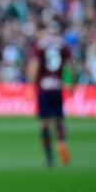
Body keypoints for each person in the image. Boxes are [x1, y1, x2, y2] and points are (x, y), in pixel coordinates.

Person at [26, 21, 74, 167]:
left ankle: (49, 157)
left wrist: (31, 85)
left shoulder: (39, 44)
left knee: (44, 123)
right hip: (57, 86)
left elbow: (35, 65)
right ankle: (61, 141)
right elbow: (70, 65)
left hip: (44, 87)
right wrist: (70, 83)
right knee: (58, 119)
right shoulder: (62, 44)